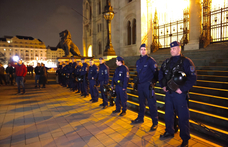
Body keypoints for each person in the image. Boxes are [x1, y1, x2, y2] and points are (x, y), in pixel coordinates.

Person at [159, 41, 197, 147]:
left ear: (179, 49)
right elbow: (161, 73)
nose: (172, 50)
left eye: (174, 49)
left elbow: (192, 77)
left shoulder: (186, 62)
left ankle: (185, 138)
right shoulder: (167, 62)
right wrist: (163, 85)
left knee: (183, 116)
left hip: (179, 94)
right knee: (168, 114)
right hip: (169, 93)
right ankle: (169, 131)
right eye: (171, 49)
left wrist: (183, 89)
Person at [131, 43, 159, 131]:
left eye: (144, 49)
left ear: (146, 51)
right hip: (140, 85)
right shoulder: (138, 61)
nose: (143, 51)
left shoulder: (150, 60)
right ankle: (140, 118)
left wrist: (153, 82)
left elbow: (156, 73)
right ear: (139, 50)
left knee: (152, 104)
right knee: (141, 103)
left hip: (148, 85)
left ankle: (155, 122)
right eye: (141, 49)